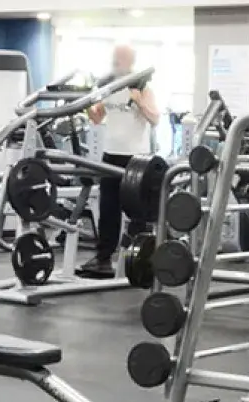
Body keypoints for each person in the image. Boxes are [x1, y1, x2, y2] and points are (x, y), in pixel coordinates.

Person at [81, 44, 159, 280]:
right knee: (108, 209)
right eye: (115, 58)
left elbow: (155, 118)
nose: (117, 62)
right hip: (111, 155)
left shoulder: (143, 87)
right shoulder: (109, 87)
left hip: (136, 158)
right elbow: (97, 118)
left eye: (121, 58)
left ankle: (141, 260)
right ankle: (103, 258)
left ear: (130, 61)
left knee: (138, 211)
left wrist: (139, 101)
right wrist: (85, 102)